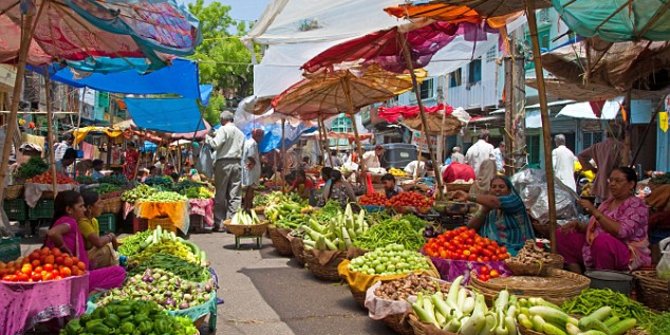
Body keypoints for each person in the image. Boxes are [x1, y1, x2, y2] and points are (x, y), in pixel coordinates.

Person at [556, 167, 650, 272]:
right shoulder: (607, 203)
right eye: (611, 180)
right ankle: (577, 275)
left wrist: (594, 211)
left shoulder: (637, 205)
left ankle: (602, 280)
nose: (612, 184)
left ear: (631, 184)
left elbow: (622, 232)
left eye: (618, 181)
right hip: (596, 245)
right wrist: (578, 226)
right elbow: (595, 227)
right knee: (562, 233)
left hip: (626, 251)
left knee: (602, 241)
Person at [45, 191, 126, 292]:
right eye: (81, 206)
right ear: (69, 209)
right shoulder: (70, 222)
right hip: (74, 280)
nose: (84, 209)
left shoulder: (61, 221)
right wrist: (65, 250)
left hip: (69, 275)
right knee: (119, 272)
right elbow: (53, 233)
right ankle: (87, 293)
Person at [453, 176, 535, 256]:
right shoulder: (490, 206)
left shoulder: (515, 201)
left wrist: (468, 196)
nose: (497, 189)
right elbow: (471, 228)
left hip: (517, 250)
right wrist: (484, 211)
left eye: (501, 187)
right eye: (493, 187)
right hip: (491, 251)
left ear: (509, 190)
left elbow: (495, 202)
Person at [206, 110, 245, 229]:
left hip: (223, 163)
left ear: (223, 120)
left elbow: (215, 144)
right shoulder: (240, 133)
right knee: (235, 194)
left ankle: (219, 223)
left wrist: (207, 138)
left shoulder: (223, 129)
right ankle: (232, 222)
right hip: (237, 163)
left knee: (221, 194)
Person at [578, 125, 625, 201]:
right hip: (617, 183)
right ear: (620, 133)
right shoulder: (621, 147)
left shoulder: (598, 146)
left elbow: (581, 155)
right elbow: (627, 163)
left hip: (600, 183)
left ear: (606, 133)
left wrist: (592, 168)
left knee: (601, 208)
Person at [78, 191, 119, 269]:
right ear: (89, 208)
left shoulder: (94, 221)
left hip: (89, 254)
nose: (102, 206)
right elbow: (98, 243)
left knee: (107, 247)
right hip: (81, 259)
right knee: (105, 250)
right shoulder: (82, 223)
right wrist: (111, 236)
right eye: (99, 203)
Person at [241, 129, 264, 211]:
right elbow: (250, 155)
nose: (261, 139)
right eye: (261, 137)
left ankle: (246, 207)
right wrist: (253, 163)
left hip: (248, 169)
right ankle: (248, 207)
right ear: (257, 136)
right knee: (251, 189)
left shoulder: (248, 142)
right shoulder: (253, 143)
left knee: (248, 190)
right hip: (251, 171)